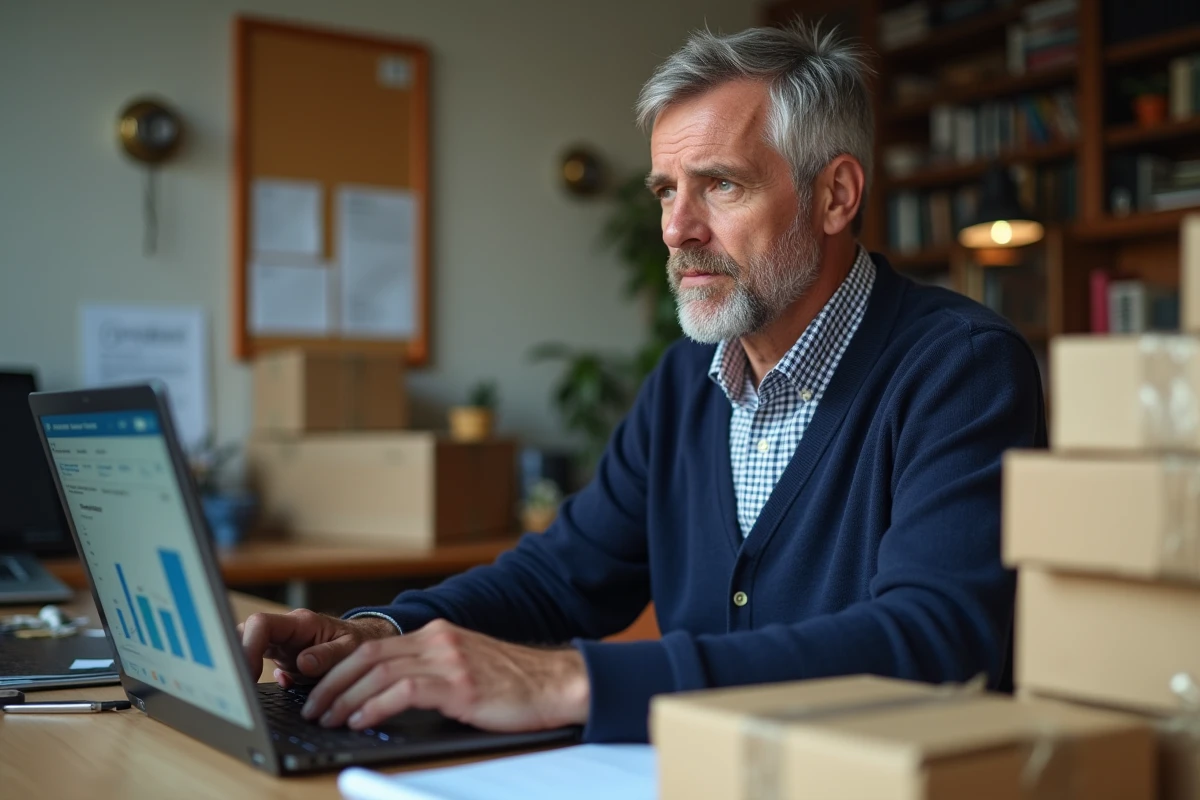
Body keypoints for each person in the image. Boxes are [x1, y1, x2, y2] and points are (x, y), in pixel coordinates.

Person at [240, 21, 1046, 744]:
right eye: (667, 190)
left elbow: (936, 642)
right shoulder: (684, 383)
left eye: (719, 184)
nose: (675, 229)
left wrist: (568, 680)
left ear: (834, 195)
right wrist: (384, 629)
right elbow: (561, 577)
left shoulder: (961, 366)